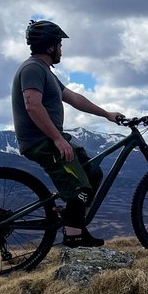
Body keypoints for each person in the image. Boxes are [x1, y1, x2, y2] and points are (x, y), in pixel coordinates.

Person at [11, 19, 125, 248]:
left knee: (92, 173)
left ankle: (76, 223)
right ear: (50, 47)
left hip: (49, 139)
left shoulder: (45, 71)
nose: (62, 50)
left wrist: (106, 114)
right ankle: (73, 236)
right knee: (79, 187)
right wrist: (57, 139)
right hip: (41, 141)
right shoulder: (32, 68)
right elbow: (32, 105)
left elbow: (75, 99)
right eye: (60, 45)